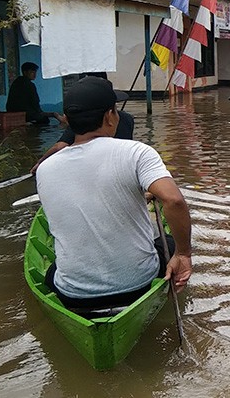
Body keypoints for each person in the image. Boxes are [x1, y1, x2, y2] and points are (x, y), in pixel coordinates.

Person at [36, 76, 192, 309]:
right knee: (168, 242)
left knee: (53, 271)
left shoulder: (45, 169)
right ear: (110, 116)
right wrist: (184, 254)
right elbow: (174, 201)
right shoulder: (137, 152)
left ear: (67, 121)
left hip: (73, 294)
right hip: (137, 285)